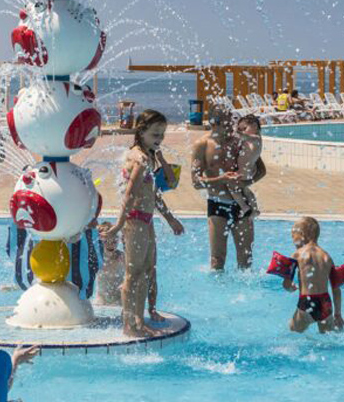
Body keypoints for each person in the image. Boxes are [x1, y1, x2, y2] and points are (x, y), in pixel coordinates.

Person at [99, 110, 184, 337]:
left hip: (145, 221)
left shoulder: (148, 156)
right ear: (142, 131)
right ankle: (129, 326)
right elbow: (129, 194)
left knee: (146, 271)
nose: (159, 139)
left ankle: (139, 320)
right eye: (155, 134)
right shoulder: (140, 158)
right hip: (134, 221)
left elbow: (153, 193)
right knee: (133, 274)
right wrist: (118, 225)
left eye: (162, 134)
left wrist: (169, 218)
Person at [192, 107, 267, 271]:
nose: (231, 128)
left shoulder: (239, 141)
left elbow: (261, 170)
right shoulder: (202, 145)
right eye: (226, 124)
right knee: (217, 260)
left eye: (231, 122)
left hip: (242, 205)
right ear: (214, 123)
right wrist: (222, 179)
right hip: (217, 204)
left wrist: (245, 184)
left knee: (246, 260)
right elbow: (196, 182)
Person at [281, 217, 344, 333]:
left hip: (307, 301)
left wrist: (291, 288)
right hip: (325, 303)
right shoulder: (326, 257)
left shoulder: (297, 254)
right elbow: (336, 288)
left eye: (293, 236)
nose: (292, 240)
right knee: (326, 339)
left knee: (292, 333)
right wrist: (338, 314)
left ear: (302, 235)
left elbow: (286, 284)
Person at [221, 114, 263, 219]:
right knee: (245, 189)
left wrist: (236, 131)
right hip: (249, 169)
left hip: (245, 171)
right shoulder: (250, 140)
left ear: (255, 126)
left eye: (244, 128)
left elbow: (245, 137)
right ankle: (255, 210)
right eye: (241, 129)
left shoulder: (256, 138)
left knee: (231, 186)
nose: (242, 131)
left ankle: (244, 207)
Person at [94, 222, 124, 306]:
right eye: (106, 241)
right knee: (98, 304)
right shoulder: (97, 258)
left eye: (114, 241)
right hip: (101, 297)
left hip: (119, 297)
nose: (110, 244)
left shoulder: (122, 257)